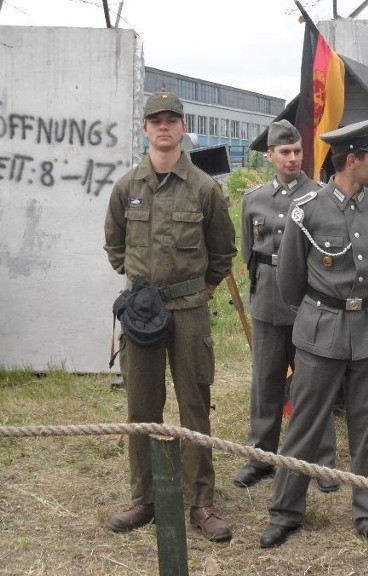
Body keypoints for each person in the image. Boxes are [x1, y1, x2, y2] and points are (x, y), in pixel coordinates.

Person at [260, 116, 368, 551]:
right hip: (321, 332)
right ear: (352, 160)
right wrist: (325, 312)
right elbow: (289, 282)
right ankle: (285, 511)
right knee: (304, 423)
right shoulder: (309, 209)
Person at [103, 91, 237, 542]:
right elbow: (115, 246)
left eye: (171, 120)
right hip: (142, 314)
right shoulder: (127, 187)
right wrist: (140, 285)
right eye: (155, 120)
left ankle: (202, 501)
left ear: (183, 128)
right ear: (145, 129)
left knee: (194, 405)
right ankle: (145, 498)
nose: (163, 127)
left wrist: (204, 288)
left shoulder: (204, 188)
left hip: (189, 311)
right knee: (142, 405)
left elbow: (223, 251)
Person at [233, 120, 339, 493]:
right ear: (270, 156)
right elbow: (250, 253)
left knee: (312, 382)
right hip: (267, 298)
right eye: (285, 152)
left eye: (297, 152)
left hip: (308, 299)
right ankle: (260, 456)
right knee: (265, 380)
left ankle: (323, 461)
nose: (293, 158)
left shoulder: (320, 196)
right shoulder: (254, 199)